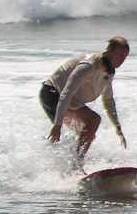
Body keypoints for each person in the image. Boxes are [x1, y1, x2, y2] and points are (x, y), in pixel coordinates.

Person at [40, 36, 129, 167]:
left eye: (125, 57)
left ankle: (63, 163)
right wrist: (57, 126)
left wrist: (118, 128)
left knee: (87, 135)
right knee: (93, 120)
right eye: (120, 55)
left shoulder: (108, 72)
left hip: (67, 100)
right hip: (53, 94)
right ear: (110, 50)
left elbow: (108, 100)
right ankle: (76, 166)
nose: (122, 60)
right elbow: (66, 93)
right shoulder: (88, 66)